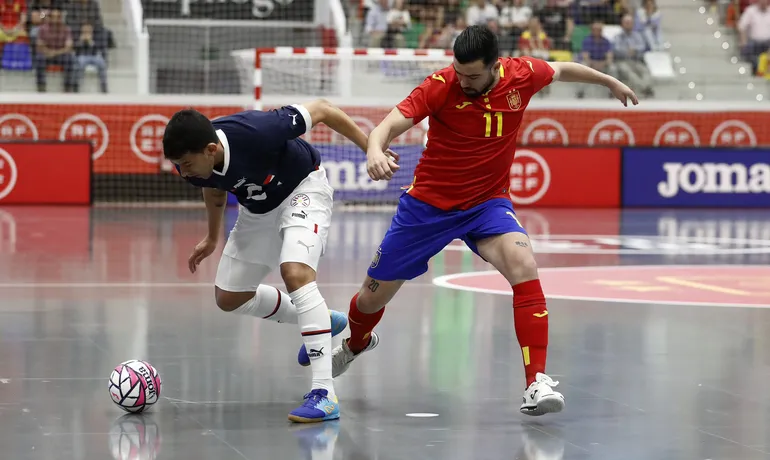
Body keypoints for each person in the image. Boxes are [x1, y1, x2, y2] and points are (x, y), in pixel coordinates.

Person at [329, 24, 638, 416]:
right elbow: (388, 126)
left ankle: (536, 383)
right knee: (372, 296)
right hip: (428, 207)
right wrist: (375, 150)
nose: (463, 81)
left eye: (472, 76)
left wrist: (609, 81)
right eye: (459, 72)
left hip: (487, 204)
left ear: (495, 67)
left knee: (524, 264)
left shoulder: (522, 74)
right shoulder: (440, 86)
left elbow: (564, 70)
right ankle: (355, 344)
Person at [162, 100, 388, 423]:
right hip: (257, 209)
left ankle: (324, 394)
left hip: (303, 189)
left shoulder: (259, 130)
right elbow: (213, 189)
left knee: (294, 273)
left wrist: (372, 149)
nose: (182, 172)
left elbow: (323, 110)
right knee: (229, 296)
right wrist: (213, 237)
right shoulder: (194, 165)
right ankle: (324, 319)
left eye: (185, 164)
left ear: (211, 149)